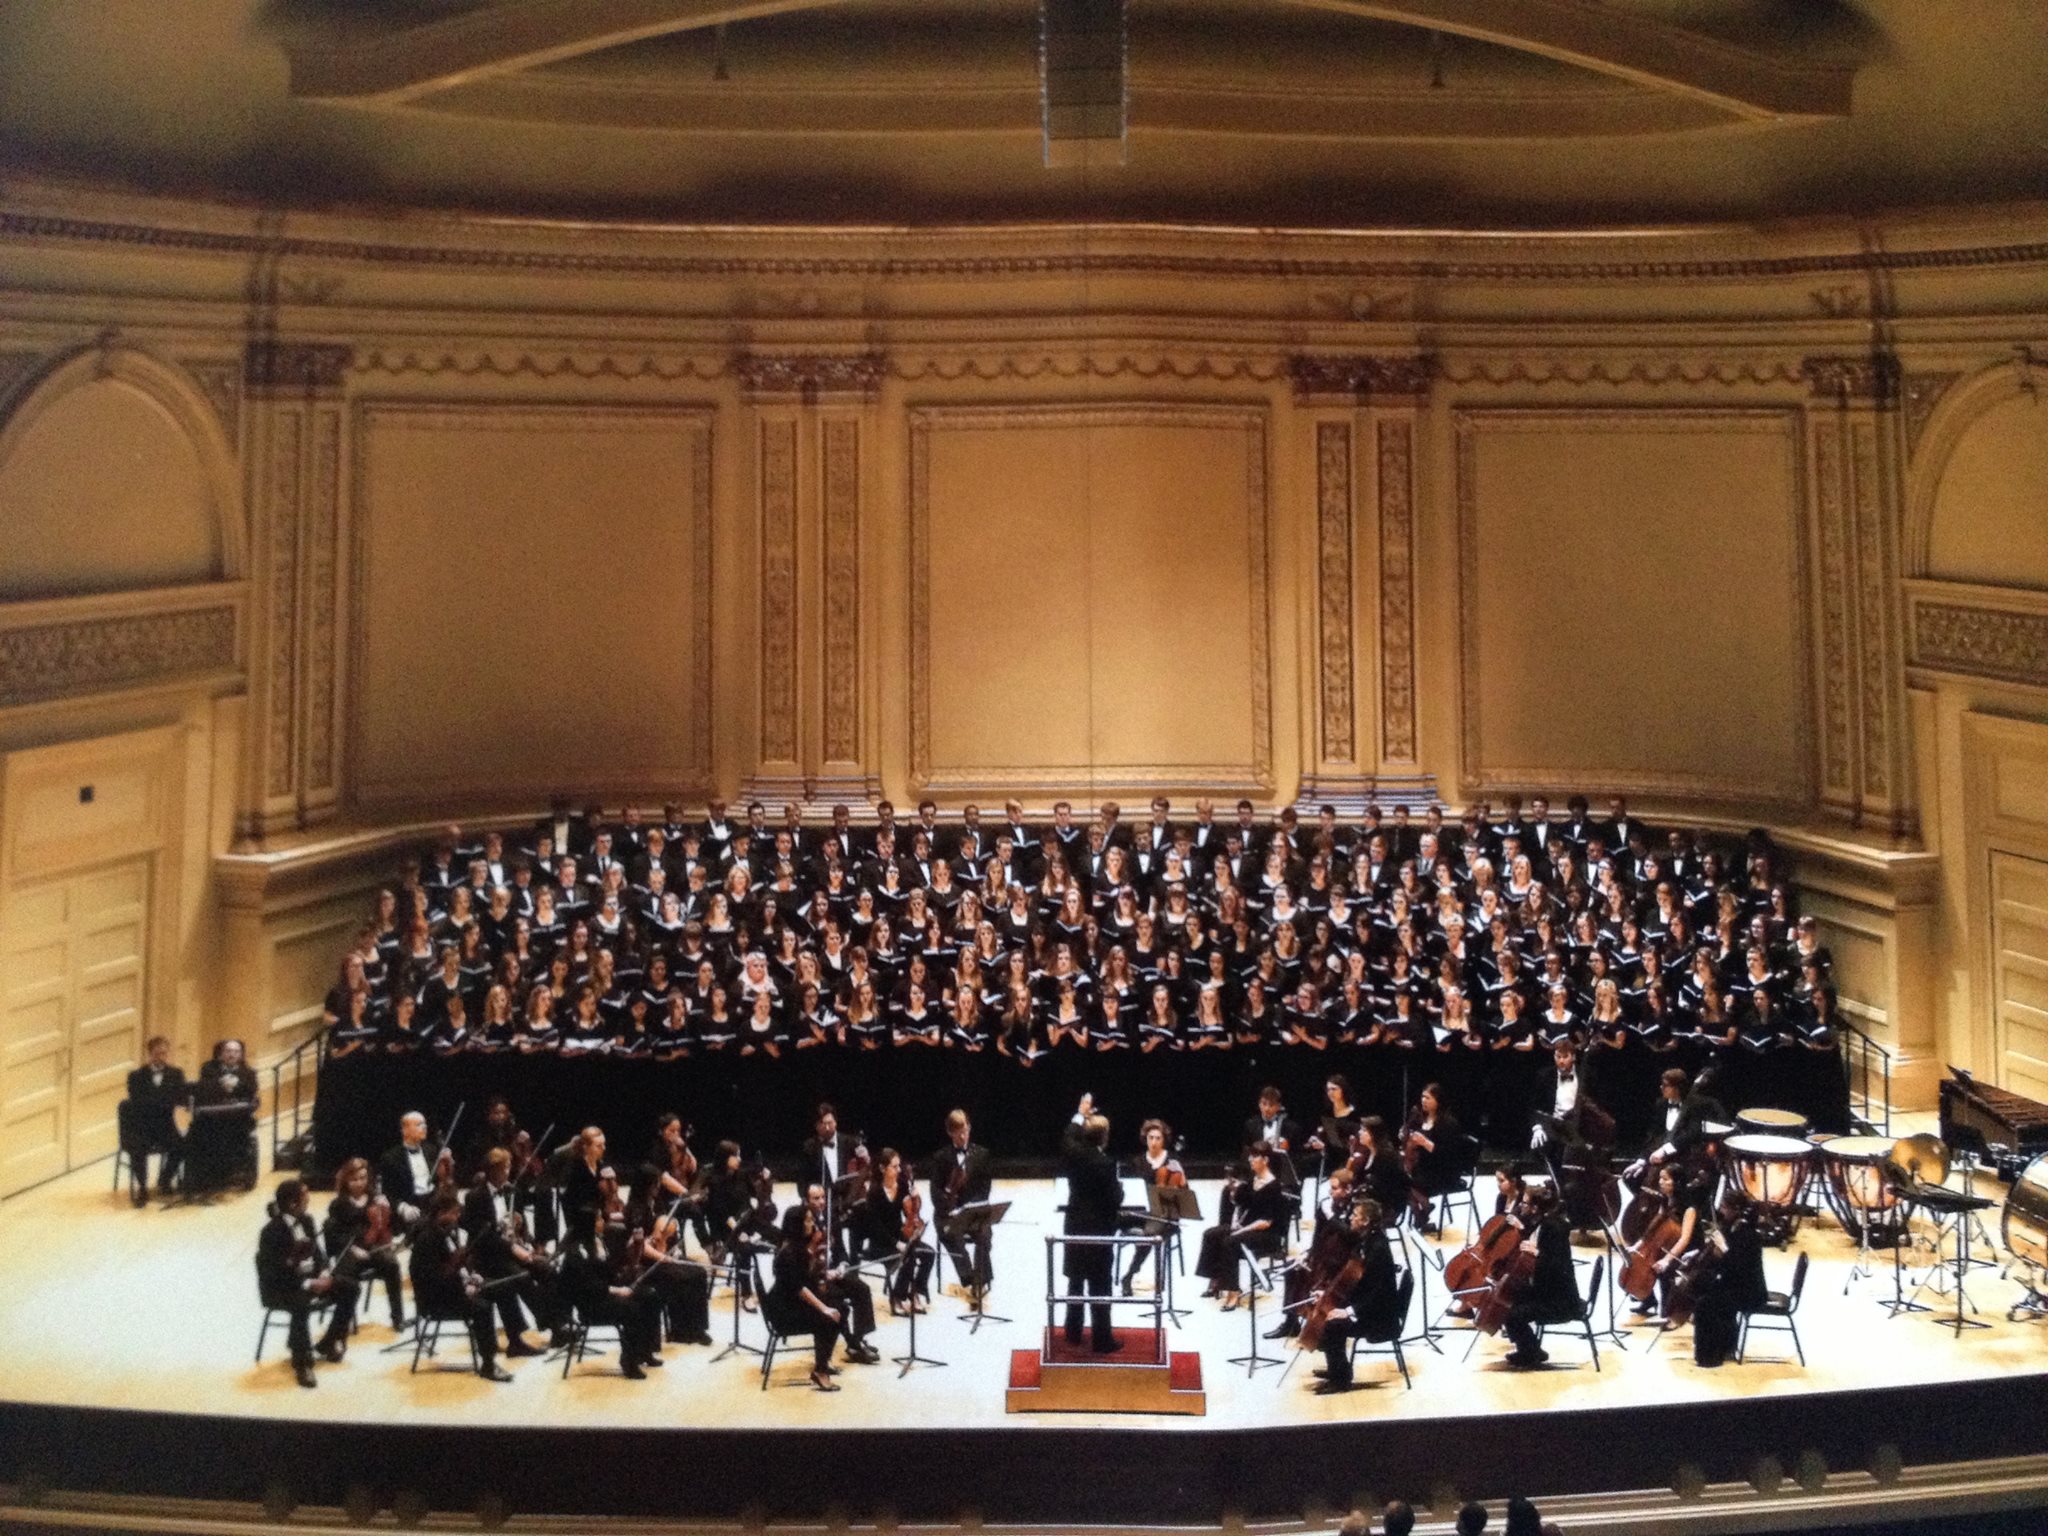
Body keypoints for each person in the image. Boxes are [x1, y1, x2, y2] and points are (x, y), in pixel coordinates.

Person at [256, 1177, 358, 1389]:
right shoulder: (270, 1233)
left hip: (311, 1278)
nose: (308, 1202)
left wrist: (323, 1272)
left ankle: (329, 1341)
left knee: (351, 1287)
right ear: (293, 1204)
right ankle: (302, 1363)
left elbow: (318, 1253)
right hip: (285, 1288)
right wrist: (308, 1284)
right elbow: (273, 1273)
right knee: (300, 1305)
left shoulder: (307, 1221)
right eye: (305, 1198)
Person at [408, 1192, 513, 1381]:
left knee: (498, 1289)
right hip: (436, 1300)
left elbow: (453, 1268)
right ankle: (488, 1363)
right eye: (455, 1213)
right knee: (482, 1308)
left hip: (451, 1290)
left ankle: (512, 1341)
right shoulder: (428, 1239)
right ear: (441, 1213)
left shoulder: (444, 1232)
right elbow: (434, 1279)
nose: (458, 1218)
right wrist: (465, 1287)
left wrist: (470, 1277)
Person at [1309, 1196, 1402, 1394]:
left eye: (1355, 1215)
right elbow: (1357, 1282)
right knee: (1329, 1312)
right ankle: (1336, 1369)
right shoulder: (1367, 1240)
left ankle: (1341, 1380)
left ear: (1366, 1221)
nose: (1350, 1218)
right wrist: (1327, 1295)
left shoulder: (1377, 1248)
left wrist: (1349, 1311)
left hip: (1379, 1317)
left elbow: (1376, 1293)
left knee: (1334, 1324)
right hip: (1371, 1308)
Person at [1060, 1098, 1125, 1352]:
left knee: (1075, 1280)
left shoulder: (1073, 1153)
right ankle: (1102, 1339)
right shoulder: (1105, 1164)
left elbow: (1068, 1136)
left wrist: (1079, 1114)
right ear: (1104, 1137)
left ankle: (1073, 1331)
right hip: (1098, 1228)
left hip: (1075, 1223)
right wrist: (1119, 1189)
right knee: (1100, 1284)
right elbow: (1115, 1199)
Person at [1195, 1139, 1290, 1308]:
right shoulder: (1253, 1180)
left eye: (1254, 1157)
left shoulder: (1273, 1187)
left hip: (1267, 1233)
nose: (1250, 1160)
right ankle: (1216, 1279)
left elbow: (1266, 1221)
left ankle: (1233, 1291)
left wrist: (1240, 1230)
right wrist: (1233, 1191)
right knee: (1211, 1234)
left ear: (1265, 1160)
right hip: (1250, 1228)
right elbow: (1242, 1204)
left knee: (1230, 1241)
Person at [1500, 1184, 1582, 1368]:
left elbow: (1559, 1266)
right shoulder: (1541, 1222)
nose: (1521, 1206)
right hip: (1545, 1290)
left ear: (1535, 1208)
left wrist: (1538, 1253)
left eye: (1525, 1203)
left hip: (1560, 1300)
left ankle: (1531, 1352)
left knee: (1513, 1314)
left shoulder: (1554, 1228)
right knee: (1506, 1300)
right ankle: (1530, 1349)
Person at [325, 1157, 406, 1330]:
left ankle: (397, 1317)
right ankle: (343, 1322)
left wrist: (387, 1210)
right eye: (354, 1179)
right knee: (348, 1280)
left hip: (373, 1248)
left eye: (363, 1178)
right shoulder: (338, 1204)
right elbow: (335, 1235)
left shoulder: (374, 1199)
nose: (360, 1183)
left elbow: (388, 1227)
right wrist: (353, 1248)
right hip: (350, 1251)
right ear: (346, 1181)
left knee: (391, 1265)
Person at [855, 1148, 936, 1312]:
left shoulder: (903, 1184)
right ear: (883, 1168)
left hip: (900, 1234)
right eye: (894, 1166)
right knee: (908, 1257)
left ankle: (915, 1291)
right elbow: (875, 1227)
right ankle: (897, 1297)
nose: (899, 1170)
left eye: (899, 1166)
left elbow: (911, 1211)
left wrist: (915, 1198)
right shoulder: (874, 1192)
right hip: (880, 1242)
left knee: (929, 1253)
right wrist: (896, 1243)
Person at [929, 1109, 995, 1297]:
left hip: (972, 1212)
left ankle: (979, 1281)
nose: (963, 1136)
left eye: (965, 1130)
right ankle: (971, 1279)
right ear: (950, 1132)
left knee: (984, 1234)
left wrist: (969, 1208)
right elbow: (935, 1192)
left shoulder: (982, 1154)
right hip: (948, 1214)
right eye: (958, 1132)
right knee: (952, 1236)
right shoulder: (941, 1157)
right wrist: (950, 1209)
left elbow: (985, 1189)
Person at [186, 1038, 258, 1195]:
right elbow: (203, 1088)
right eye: (228, 1051)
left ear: (241, 1055)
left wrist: (236, 1084)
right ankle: (200, 1179)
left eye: (236, 1051)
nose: (232, 1055)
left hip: (237, 1120)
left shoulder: (249, 1073)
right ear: (221, 1054)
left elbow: (250, 1091)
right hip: (212, 1119)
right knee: (198, 1133)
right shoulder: (208, 1069)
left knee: (232, 1134)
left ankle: (225, 1173)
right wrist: (221, 1084)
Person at [121, 1035, 186, 1205]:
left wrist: (158, 1100)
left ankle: (164, 1181)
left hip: (166, 1125)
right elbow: (138, 1101)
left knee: (181, 1146)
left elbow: (179, 1097)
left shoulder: (176, 1074)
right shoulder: (136, 1076)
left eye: (164, 1053)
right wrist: (163, 1100)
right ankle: (142, 1187)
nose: (161, 1057)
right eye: (157, 1054)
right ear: (149, 1054)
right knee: (138, 1149)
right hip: (143, 1126)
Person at [377, 1111, 444, 1228]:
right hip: (410, 1211)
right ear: (404, 1130)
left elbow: (440, 1180)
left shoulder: (431, 1150)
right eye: (419, 1124)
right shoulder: (390, 1157)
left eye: (425, 1124)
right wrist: (402, 1207)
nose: (424, 1127)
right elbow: (387, 1192)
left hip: (432, 1207)